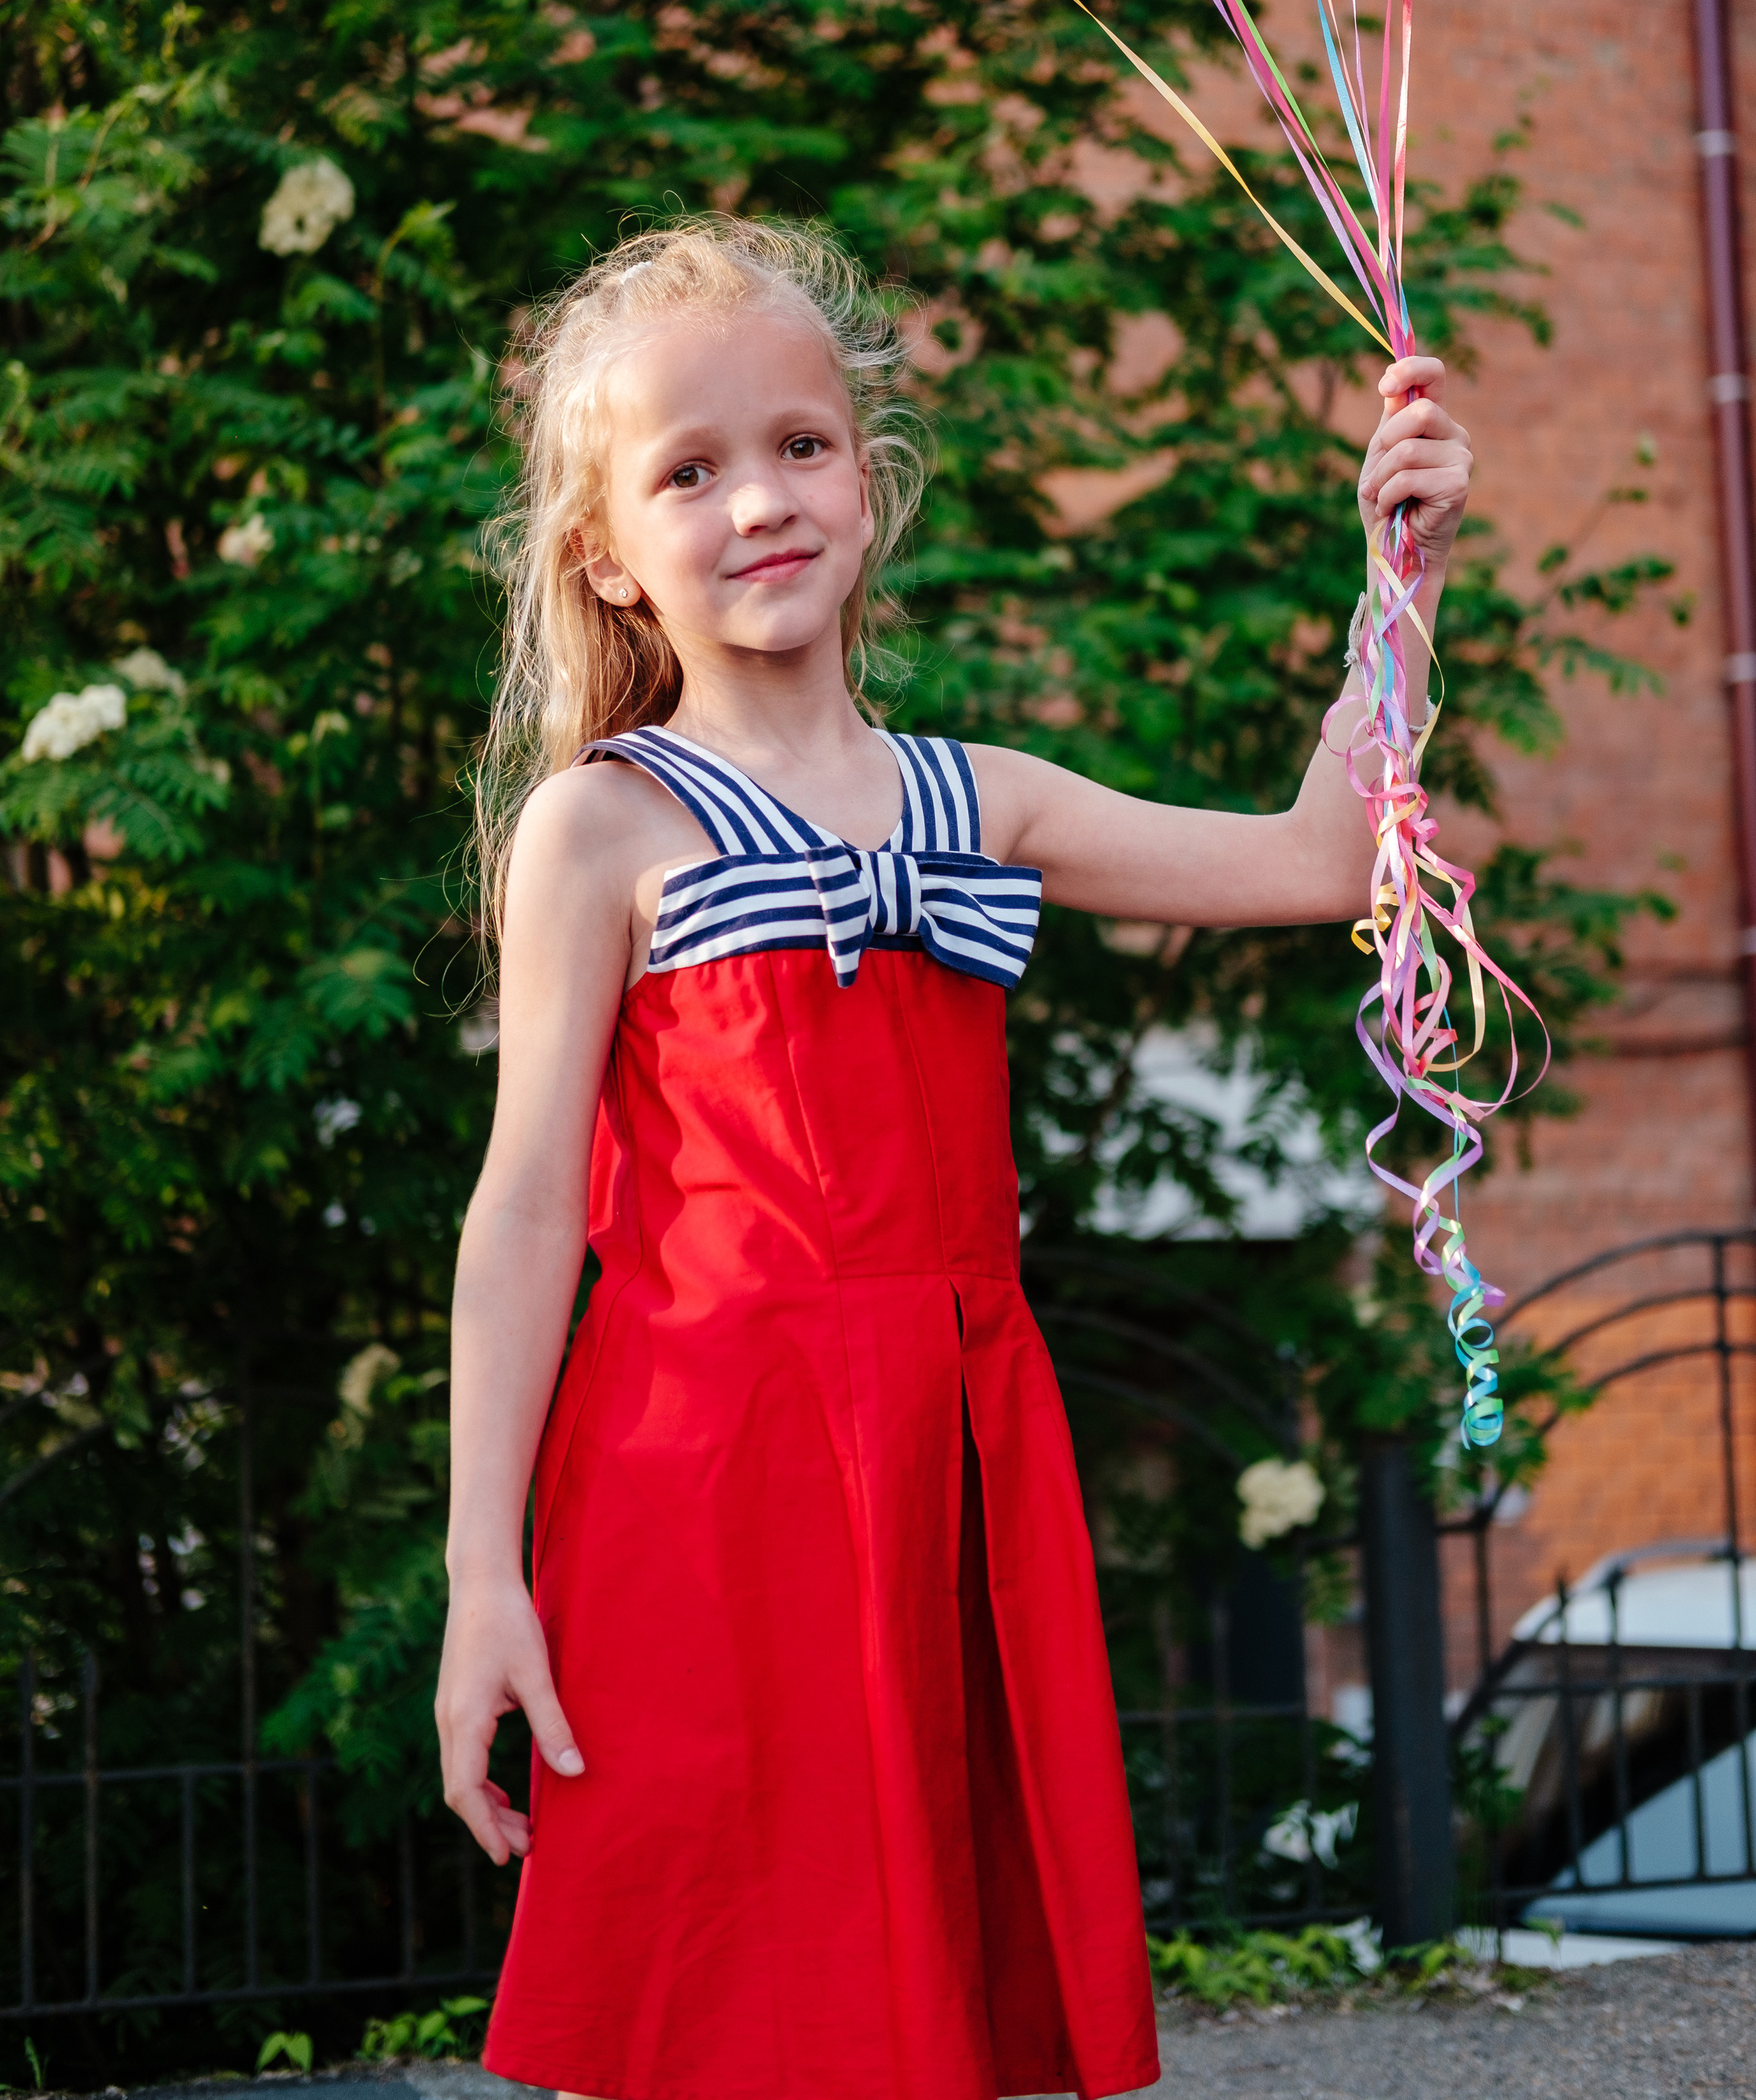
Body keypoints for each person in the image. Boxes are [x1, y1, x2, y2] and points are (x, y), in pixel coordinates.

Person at [436, 215, 1473, 2100]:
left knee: (928, 1977)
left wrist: (1401, 572)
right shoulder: (597, 833)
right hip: (701, 1461)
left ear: (868, 482)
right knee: (707, 1966)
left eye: (801, 446)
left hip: (949, 1446)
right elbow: (521, 1214)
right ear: (606, 550)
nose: (760, 500)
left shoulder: (975, 797)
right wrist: (478, 1579)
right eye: (691, 469)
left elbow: (1318, 861)